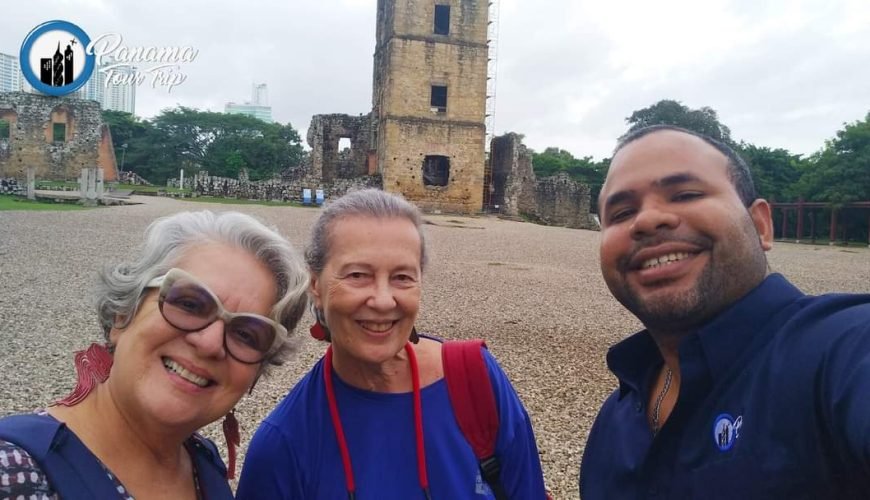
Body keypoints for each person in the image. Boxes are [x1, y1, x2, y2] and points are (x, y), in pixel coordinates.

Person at [580, 125, 870, 498]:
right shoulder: (615, 421)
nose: (647, 220)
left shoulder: (838, 352)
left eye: (685, 194)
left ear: (761, 225)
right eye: (621, 213)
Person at [237, 189, 548, 499]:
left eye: (402, 277)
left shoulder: (476, 380)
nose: (384, 301)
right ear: (315, 285)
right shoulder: (283, 446)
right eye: (358, 274)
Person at [0, 210, 309, 499]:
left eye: (246, 334)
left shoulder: (203, 462)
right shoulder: (15, 472)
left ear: (255, 374)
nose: (210, 342)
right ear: (123, 315)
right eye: (189, 303)